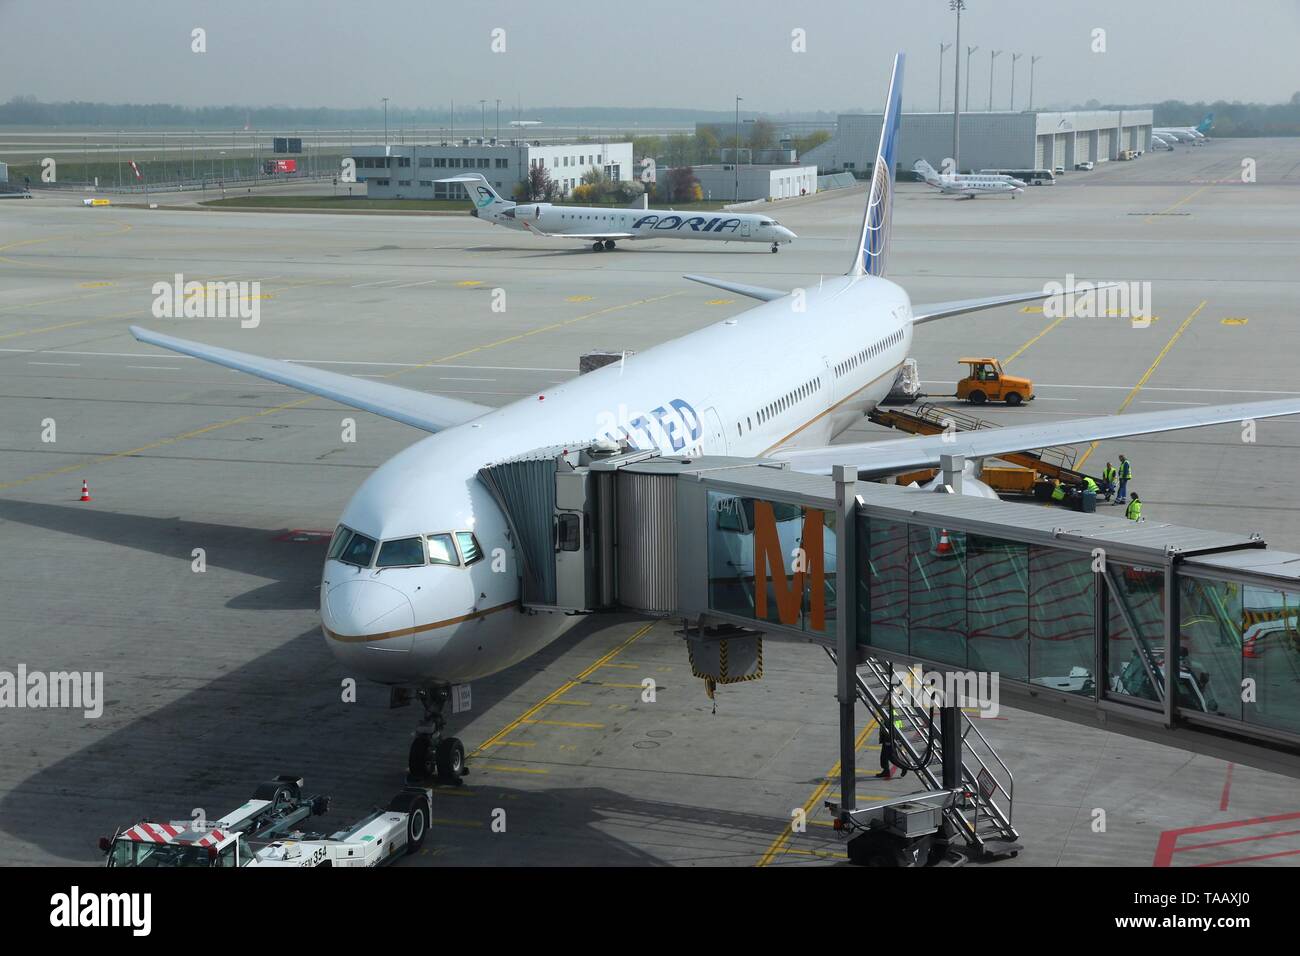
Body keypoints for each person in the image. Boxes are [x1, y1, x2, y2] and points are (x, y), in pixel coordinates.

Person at [875, 707, 908, 780]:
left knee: (892, 757)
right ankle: (886, 771)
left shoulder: (889, 715)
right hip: (889, 738)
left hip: (889, 739)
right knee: (883, 757)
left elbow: (891, 729)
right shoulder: (893, 713)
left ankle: (904, 766)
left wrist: (889, 741)